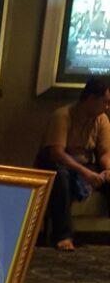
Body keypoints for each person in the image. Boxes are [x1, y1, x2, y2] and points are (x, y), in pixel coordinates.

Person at [36, 76, 110, 253]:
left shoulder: (102, 120)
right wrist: (85, 173)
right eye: (105, 102)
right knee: (61, 175)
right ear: (91, 99)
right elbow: (57, 153)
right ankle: (63, 236)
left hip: (87, 165)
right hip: (61, 164)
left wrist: (108, 169)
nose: (107, 107)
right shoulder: (63, 115)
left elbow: (105, 152)